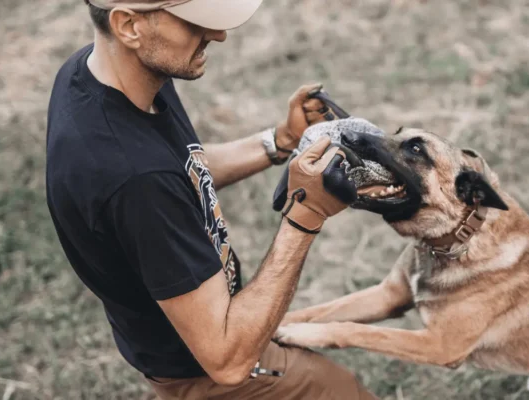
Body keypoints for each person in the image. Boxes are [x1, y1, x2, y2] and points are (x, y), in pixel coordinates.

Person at [45, 1, 378, 398]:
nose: (218, 35)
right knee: (338, 391)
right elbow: (228, 361)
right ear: (128, 25)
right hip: (208, 363)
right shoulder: (134, 180)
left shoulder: (100, 74)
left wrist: (279, 141)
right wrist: (306, 213)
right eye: (194, 23)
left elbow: (181, 168)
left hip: (205, 332)